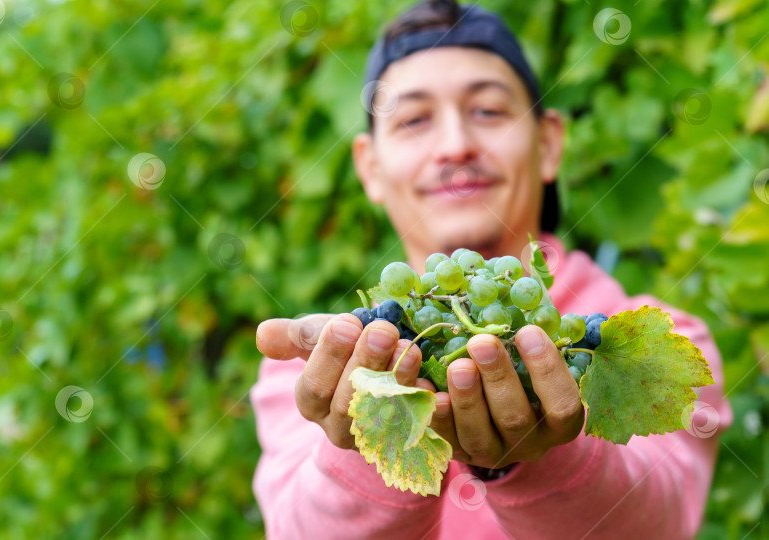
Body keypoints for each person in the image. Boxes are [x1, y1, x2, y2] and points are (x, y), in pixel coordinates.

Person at [252, 1, 733, 538]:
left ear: (549, 144)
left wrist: (541, 457)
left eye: (488, 111)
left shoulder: (661, 346)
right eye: (413, 119)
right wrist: (378, 428)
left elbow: (657, 526)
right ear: (371, 167)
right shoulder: (314, 366)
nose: (456, 144)